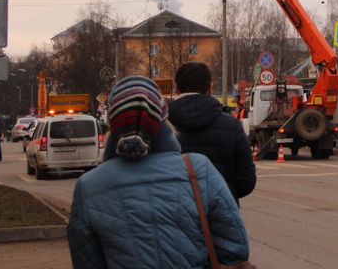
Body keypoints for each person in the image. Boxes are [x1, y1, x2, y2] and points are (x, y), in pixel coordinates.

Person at [68, 76, 252, 268]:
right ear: (163, 119)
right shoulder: (197, 170)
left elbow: (86, 262)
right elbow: (235, 250)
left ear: (113, 124)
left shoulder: (89, 186)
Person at [168, 62, 257, 204]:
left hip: (176, 216)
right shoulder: (232, 127)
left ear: (177, 89)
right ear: (210, 88)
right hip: (221, 215)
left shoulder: (162, 127)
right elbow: (246, 182)